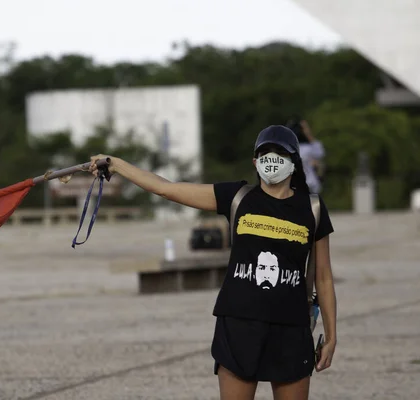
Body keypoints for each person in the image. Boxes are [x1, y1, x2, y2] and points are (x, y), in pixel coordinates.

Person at [89, 125, 337, 400]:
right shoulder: (237, 197)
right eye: (265, 153)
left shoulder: (312, 208)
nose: (272, 159)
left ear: (294, 162)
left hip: (291, 329)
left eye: (280, 153)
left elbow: (323, 277)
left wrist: (331, 335)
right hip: (238, 327)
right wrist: (117, 165)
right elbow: (165, 189)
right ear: (255, 162)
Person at [286, 118, 325, 194]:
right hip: (311, 186)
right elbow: (320, 152)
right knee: (315, 206)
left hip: (293, 188)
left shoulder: (285, 150)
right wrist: (307, 132)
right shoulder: (307, 149)